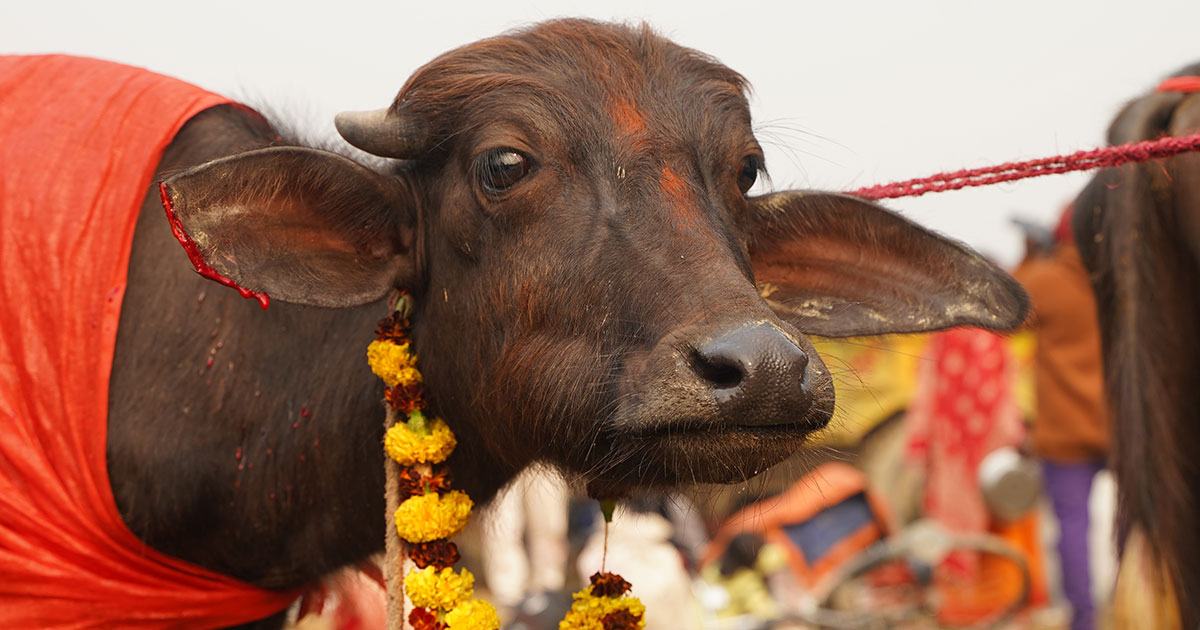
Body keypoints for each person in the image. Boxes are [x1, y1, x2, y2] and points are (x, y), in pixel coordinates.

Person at [1012, 207, 1111, 630]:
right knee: (1139, 521)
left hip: (1066, 432)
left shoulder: (1048, 279)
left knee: (1072, 528)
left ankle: (1084, 620)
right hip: (1123, 429)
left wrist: (1032, 256)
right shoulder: (1120, 277)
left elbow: (1009, 314)